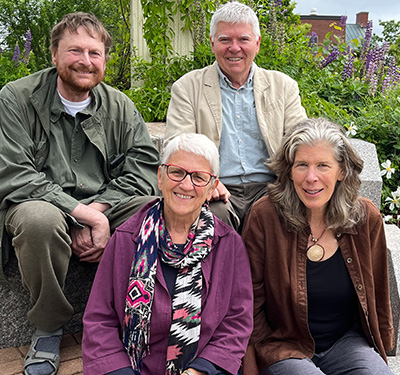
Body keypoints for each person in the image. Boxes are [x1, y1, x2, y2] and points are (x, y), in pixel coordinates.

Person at [0, 12, 160, 375]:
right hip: (38, 201)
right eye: (75, 51)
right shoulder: (16, 98)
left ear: (105, 60)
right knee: (39, 221)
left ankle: (139, 314)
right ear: (54, 55)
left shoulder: (120, 106)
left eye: (95, 53)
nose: (85, 61)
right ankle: (48, 328)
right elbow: (14, 173)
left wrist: (100, 209)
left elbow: (142, 169)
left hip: (104, 203)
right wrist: (82, 213)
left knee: (159, 211)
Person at [82, 133, 253, 375]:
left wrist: (199, 372)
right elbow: (99, 320)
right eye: (176, 172)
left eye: (198, 177)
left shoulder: (228, 244)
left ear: (212, 187)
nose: (185, 184)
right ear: (160, 177)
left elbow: (237, 322)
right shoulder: (126, 238)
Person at [242, 118, 394, 375]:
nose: (311, 177)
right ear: (289, 171)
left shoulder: (366, 217)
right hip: (283, 345)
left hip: (345, 342)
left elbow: (379, 290)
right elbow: (248, 301)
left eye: (323, 165)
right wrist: (253, 362)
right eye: (302, 165)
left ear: (342, 171)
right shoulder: (264, 217)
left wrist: (383, 348)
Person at [165, 1, 307, 232]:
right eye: (225, 40)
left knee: (276, 216)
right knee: (212, 221)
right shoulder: (187, 87)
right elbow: (178, 146)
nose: (234, 47)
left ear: (257, 43)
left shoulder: (283, 86)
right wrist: (207, 181)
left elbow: (302, 143)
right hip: (215, 188)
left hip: (269, 188)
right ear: (212, 43)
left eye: (243, 39)